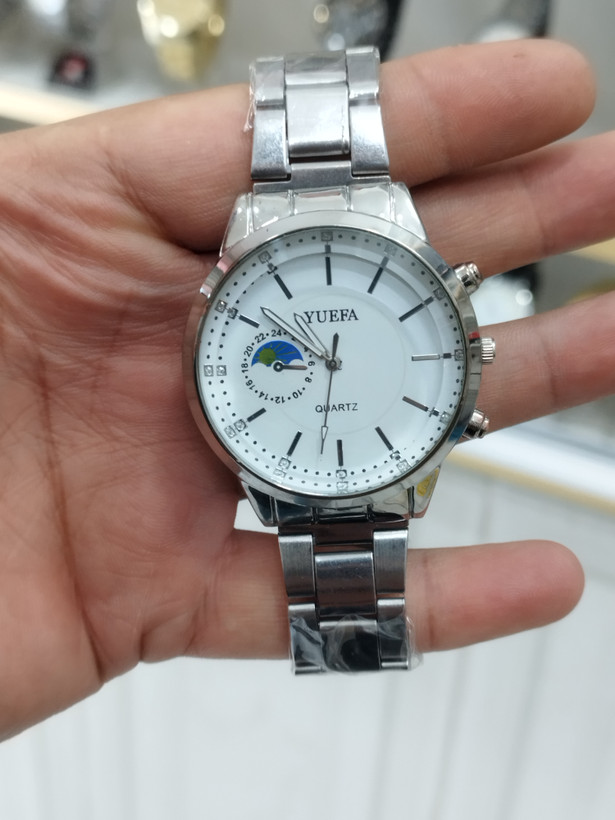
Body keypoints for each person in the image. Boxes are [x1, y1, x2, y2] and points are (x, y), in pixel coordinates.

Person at [0, 38, 613, 741]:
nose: (329, 363)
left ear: (471, 344)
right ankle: (347, 645)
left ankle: (348, 646)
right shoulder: (235, 306)